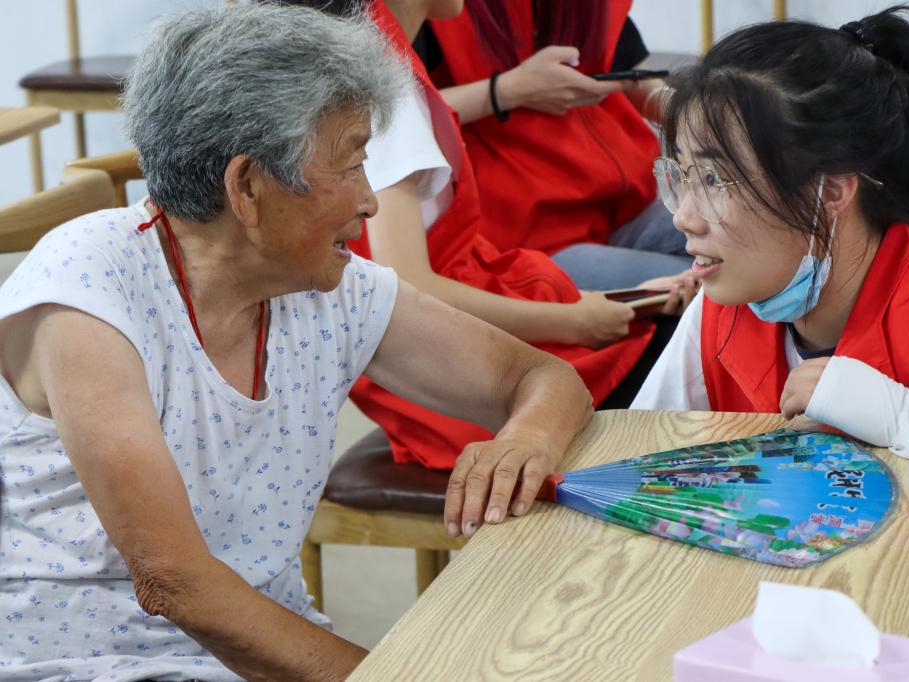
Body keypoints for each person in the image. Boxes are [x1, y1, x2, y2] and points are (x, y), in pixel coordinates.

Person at [0, 5, 597, 680]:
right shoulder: (91, 289)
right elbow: (175, 582)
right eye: (351, 165)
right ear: (248, 186)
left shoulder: (325, 287)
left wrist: (525, 440)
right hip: (85, 664)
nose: (370, 201)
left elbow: (542, 378)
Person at [279, 0, 697, 475]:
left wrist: (592, 306)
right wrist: (576, 320)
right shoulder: (385, 91)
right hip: (438, 366)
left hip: (458, 314)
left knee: (673, 315)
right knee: (687, 337)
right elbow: (404, 291)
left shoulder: (376, 67)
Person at [631, 6, 909, 473]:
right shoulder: (723, 309)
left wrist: (897, 414)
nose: (684, 218)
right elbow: (641, 449)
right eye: (684, 175)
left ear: (832, 191)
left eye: (715, 179)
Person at [421, 0, 693, 289]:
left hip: (625, 207)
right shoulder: (442, 11)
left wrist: (702, 116)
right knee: (703, 283)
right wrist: (506, 91)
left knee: (728, 234)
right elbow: (400, 117)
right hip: (527, 238)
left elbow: (633, 76)